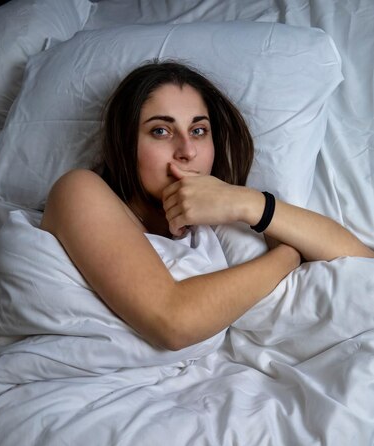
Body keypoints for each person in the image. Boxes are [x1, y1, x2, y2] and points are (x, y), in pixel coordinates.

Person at [40, 61, 374, 351]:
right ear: (125, 144)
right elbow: (172, 322)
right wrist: (287, 256)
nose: (187, 150)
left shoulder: (219, 219)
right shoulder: (79, 190)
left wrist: (247, 203)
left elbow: (362, 265)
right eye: (160, 131)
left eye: (199, 130)